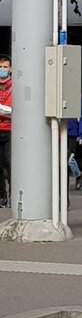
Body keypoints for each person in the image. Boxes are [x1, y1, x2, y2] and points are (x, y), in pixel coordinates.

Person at [65, 96, 82, 191]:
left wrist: (81, 134)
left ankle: (77, 174)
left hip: (72, 132)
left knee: (68, 159)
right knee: (65, 159)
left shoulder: (77, 95)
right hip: (58, 131)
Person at [0, 54, 11, 208]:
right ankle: (2, 195)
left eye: (5, 67)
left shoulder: (14, 85)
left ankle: (13, 194)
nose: (2, 69)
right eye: (0, 67)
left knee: (10, 163)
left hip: (10, 128)